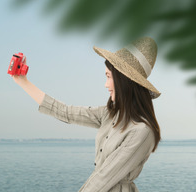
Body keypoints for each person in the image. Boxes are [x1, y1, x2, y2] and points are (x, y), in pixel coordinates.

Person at [12, 37, 161, 192]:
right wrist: (22, 81)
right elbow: (65, 112)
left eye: (109, 76)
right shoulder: (109, 114)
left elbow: (105, 177)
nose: (106, 84)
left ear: (124, 80)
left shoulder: (142, 131)